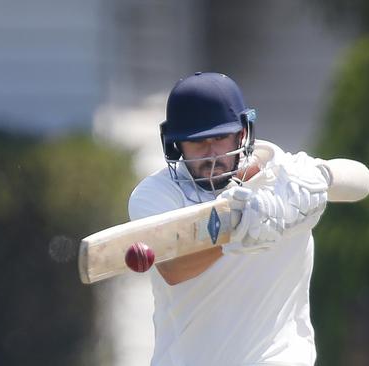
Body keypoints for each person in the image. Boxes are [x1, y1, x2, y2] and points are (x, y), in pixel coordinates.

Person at [128, 72, 329, 366]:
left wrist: (322, 180)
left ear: (242, 133)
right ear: (176, 145)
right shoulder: (156, 194)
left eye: (220, 138)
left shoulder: (287, 175)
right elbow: (173, 268)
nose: (211, 154)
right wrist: (238, 228)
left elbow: (360, 180)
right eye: (197, 142)